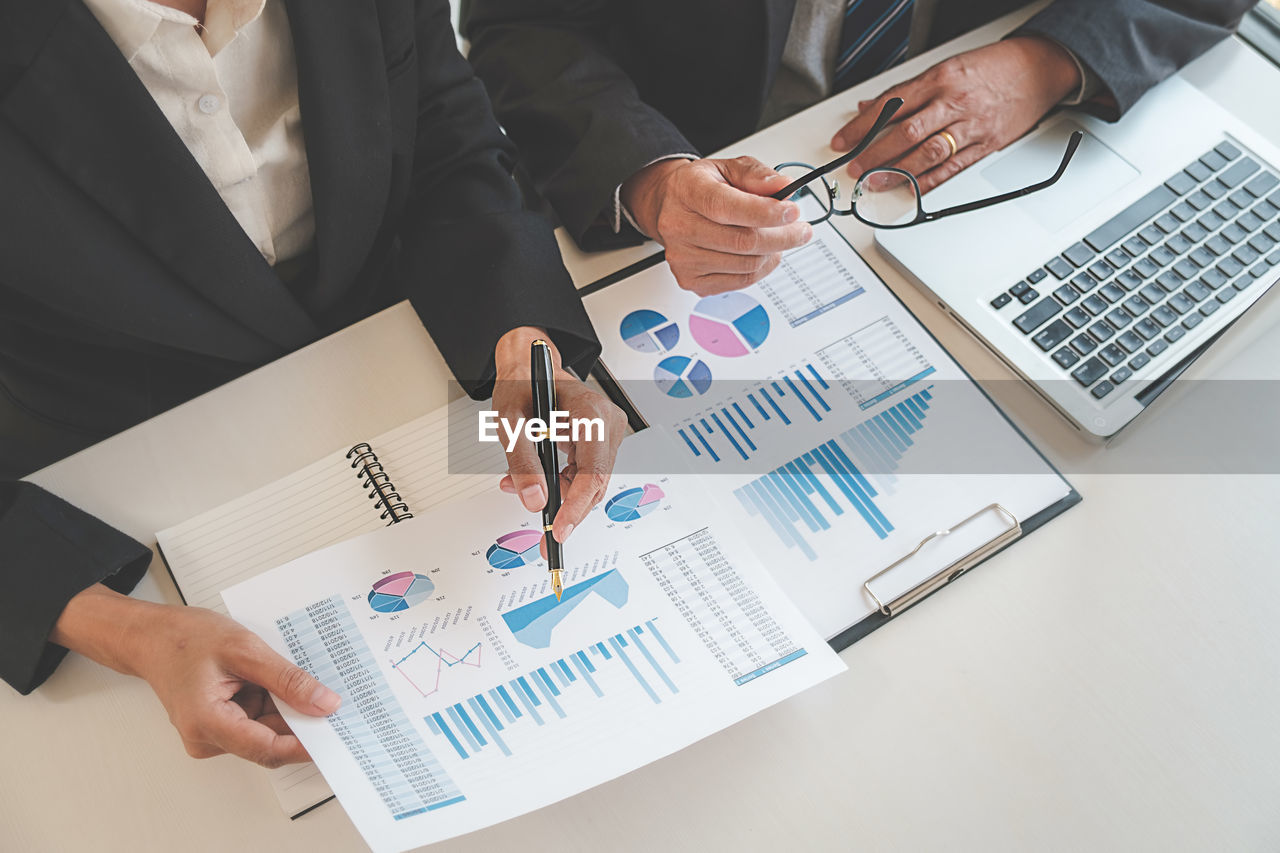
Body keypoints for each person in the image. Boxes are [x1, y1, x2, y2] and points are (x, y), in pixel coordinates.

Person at [0, 0, 626, 769]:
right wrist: (124, 629)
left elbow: (443, 130)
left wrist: (522, 338)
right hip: (116, 496)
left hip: (399, 378)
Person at [466, 0, 1254, 295]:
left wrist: (1046, 63)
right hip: (697, 181)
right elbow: (525, 25)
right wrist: (648, 179)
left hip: (999, 162)